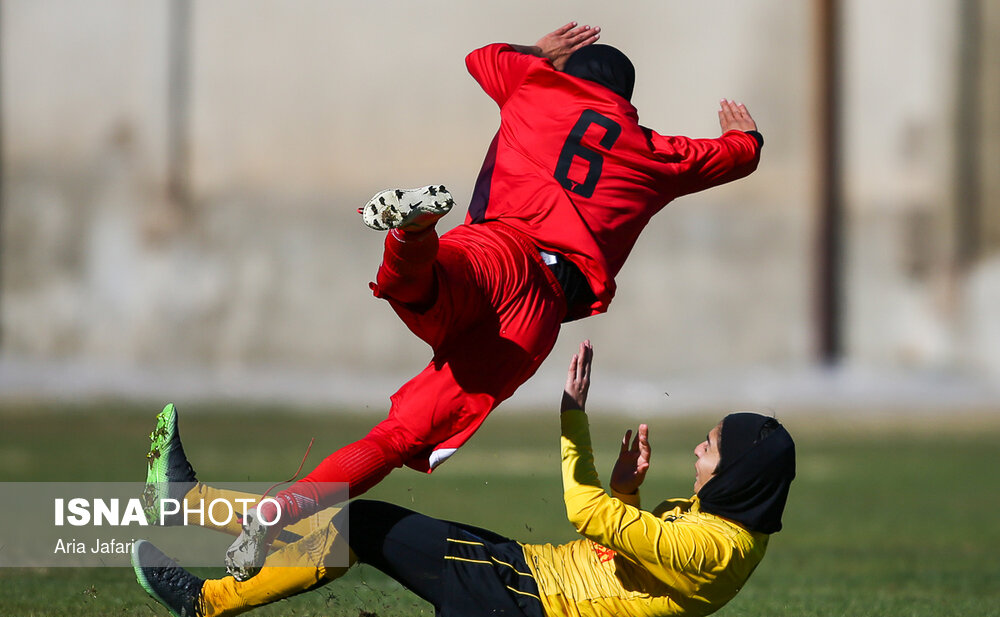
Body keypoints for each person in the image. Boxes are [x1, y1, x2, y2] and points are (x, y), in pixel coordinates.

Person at [147, 21, 764, 579]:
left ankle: (411, 233)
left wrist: (537, 52)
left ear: (565, 73)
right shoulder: (652, 154)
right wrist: (748, 134)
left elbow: (480, 56)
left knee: (432, 279)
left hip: (498, 248)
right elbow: (738, 156)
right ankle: (275, 512)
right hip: (538, 311)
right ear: (628, 103)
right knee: (393, 439)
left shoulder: (535, 85)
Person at [134, 341, 796, 617]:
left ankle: (204, 590)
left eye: (711, 445)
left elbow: (579, 509)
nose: (698, 449)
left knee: (359, 525)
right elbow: (622, 556)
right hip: (523, 581)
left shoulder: (719, 544)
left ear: (737, 471)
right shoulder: (719, 525)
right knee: (358, 525)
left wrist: (571, 415)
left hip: (524, 601)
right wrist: (625, 492)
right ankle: (192, 511)